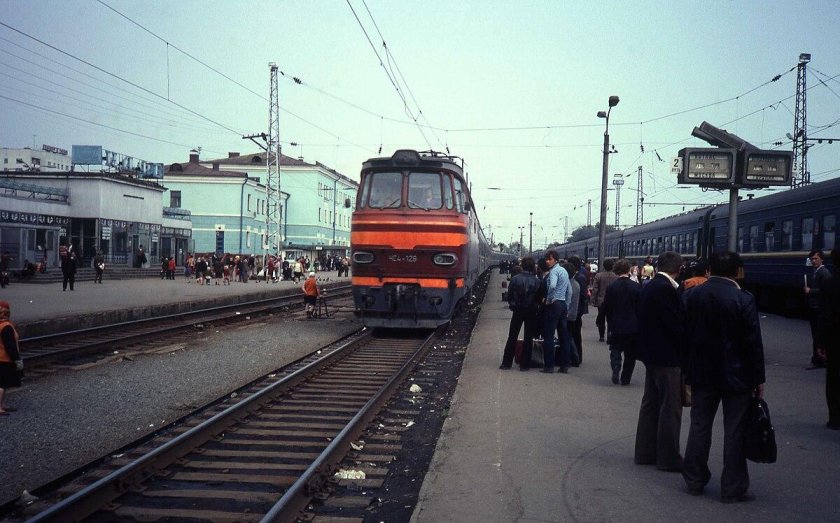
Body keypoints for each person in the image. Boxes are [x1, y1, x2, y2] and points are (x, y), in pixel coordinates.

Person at [682, 251, 765, 502]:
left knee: (699, 426)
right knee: (735, 430)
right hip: (736, 376)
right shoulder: (743, 298)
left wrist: (687, 367)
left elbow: (684, 335)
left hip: (701, 373)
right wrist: (758, 377)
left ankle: (694, 479)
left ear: (711, 269)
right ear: (737, 271)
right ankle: (733, 487)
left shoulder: (692, 295)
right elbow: (753, 342)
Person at [634, 251, 684, 472]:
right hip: (667, 357)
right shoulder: (666, 289)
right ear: (679, 268)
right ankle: (668, 458)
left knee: (650, 404)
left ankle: (644, 452)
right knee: (670, 407)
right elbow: (674, 326)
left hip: (651, 355)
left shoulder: (651, 286)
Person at [602, 259, 640, 385]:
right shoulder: (636, 287)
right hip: (632, 325)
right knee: (630, 353)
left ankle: (616, 368)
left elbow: (607, 306)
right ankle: (626, 378)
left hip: (616, 323)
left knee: (615, 349)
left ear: (616, 271)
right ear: (629, 270)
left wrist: (607, 319)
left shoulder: (612, 287)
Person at [499, 257, 541, 371]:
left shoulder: (515, 279)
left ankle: (506, 363)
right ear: (533, 267)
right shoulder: (537, 281)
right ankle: (525, 364)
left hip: (517, 310)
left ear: (522, 266)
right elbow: (539, 297)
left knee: (512, 335)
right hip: (531, 311)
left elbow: (510, 294)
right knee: (528, 337)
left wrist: (512, 305)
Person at [541, 250, 572, 373]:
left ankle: (549, 366)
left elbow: (552, 286)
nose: (548, 261)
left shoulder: (553, 272)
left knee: (549, 336)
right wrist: (567, 306)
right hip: (563, 305)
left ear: (555, 260)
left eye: (550, 259)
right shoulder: (564, 271)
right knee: (564, 336)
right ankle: (565, 365)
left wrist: (549, 299)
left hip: (554, 305)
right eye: (547, 259)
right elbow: (569, 291)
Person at [820, 247, 840, 430]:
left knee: (833, 378)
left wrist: (821, 343)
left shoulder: (829, 283)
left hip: (834, 339)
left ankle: (835, 418)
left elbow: (824, 316)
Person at [805, 250, 830, 368]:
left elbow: (826, 291)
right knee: (817, 334)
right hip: (815, 307)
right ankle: (821, 359)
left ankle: (816, 360)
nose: (814, 261)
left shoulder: (824, 273)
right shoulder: (816, 271)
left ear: (822, 259)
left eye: (816, 259)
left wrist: (811, 291)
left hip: (819, 308)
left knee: (817, 335)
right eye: (812, 259)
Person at [0, 300, 23, 415]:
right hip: (4, 359)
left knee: (3, 384)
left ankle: (2, 405)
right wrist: (17, 360)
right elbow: (10, 346)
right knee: (2, 384)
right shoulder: (6, 326)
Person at [590, 258, 619, 342]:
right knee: (611, 319)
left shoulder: (598, 276)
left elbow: (595, 289)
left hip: (601, 300)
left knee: (601, 318)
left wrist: (592, 299)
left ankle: (601, 336)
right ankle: (610, 336)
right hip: (613, 301)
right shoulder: (616, 276)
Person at [568, 256, 589, 365]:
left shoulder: (579, 277)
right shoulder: (578, 276)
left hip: (577, 310)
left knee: (575, 334)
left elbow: (583, 295)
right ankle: (576, 356)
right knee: (575, 334)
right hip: (577, 310)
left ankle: (577, 357)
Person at [563, 262, 581, 366]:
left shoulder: (567, 285)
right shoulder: (576, 284)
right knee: (569, 336)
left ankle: (573, 358)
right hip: (573, 314)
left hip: (567, 314)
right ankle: (574, 357)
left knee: (567, 337)